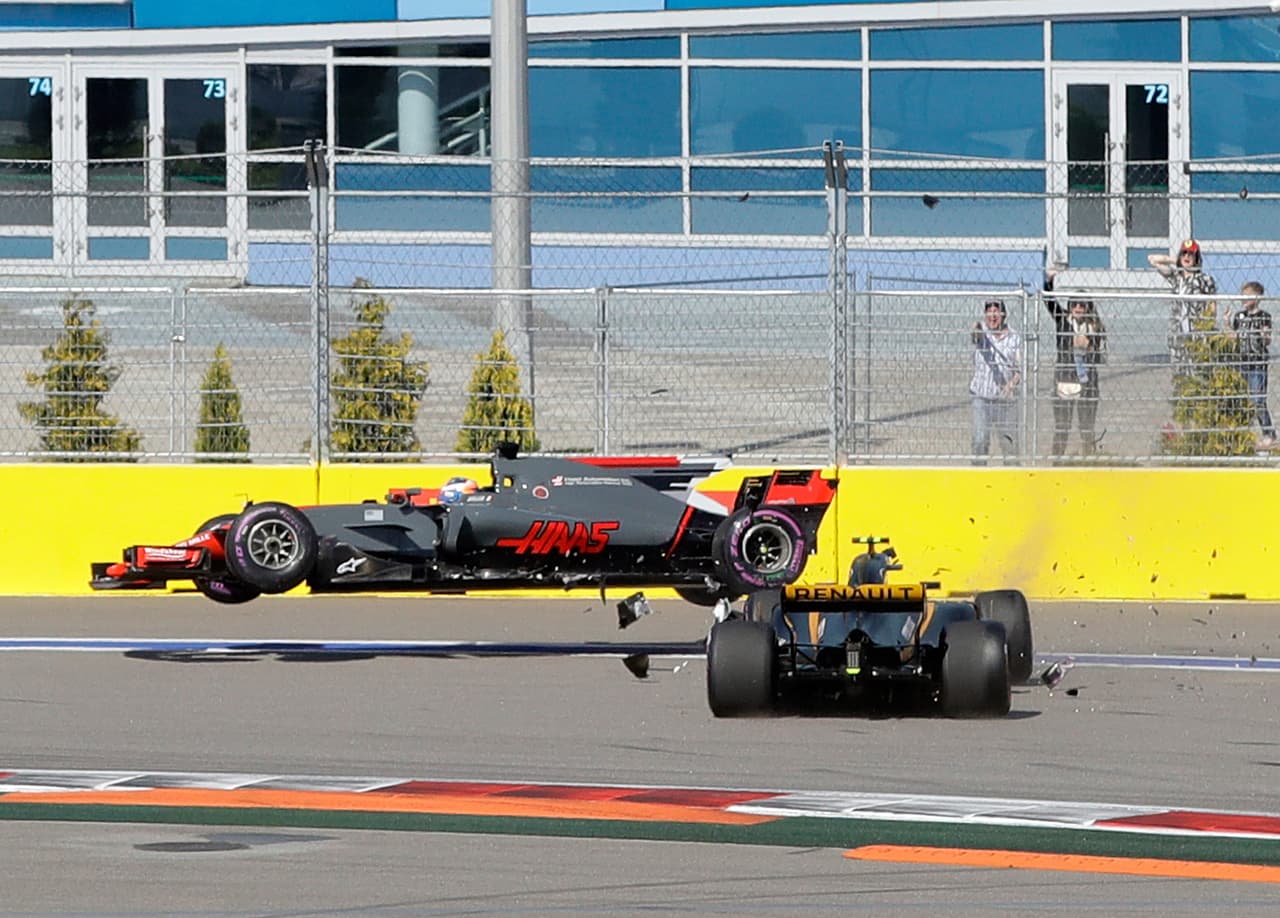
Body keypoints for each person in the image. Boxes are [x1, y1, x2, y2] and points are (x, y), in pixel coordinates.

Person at [1045, 271, 1107, 458]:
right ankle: (1057, 461)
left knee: (1087, 426)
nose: (1078, 308)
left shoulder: (1095, 328)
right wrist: (1048, 281)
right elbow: (1049, 302)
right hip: (1065, 378)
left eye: (1082, 304)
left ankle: (1089, 460)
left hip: (1088, 383)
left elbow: (1099, 356)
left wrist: (1089, 346)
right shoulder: (1063, 321)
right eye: (1074, 304)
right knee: (1062, 426)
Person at [1148, 238, 1217, 371]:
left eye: (1191, 254)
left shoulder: (1205, 279)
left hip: (1198, 331)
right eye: (1184, 253)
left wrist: (1208, 326)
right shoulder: (1176, 277)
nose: (1187, 256)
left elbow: (1212, 305)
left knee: (1199, 369)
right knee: (1180, 371)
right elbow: (1152, 259)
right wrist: (1177, 261)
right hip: (1178, 332)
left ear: (1196, 258)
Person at [969, 299, 1022, 465]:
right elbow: (975, 335)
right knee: (980, 439)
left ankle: (1012, 478)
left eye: (996, 311)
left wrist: (1011, 384)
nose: (993, 315)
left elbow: (1020, 370)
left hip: (1005, 401)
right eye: (989, 312)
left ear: (1003, 314)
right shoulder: (983, 334)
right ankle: (978, 477)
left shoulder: (1014, 338)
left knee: (1009, 444)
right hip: (982, 397)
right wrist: (976, 327)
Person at [1224, 281, 1275, 449]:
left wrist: (1265, 335)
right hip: (1242, 362)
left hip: (1257, 363)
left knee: (1258, 400)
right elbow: (1234, 338)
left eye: (1247, 296)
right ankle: (1242, 434)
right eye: (1242, 296)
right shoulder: (1239, 316)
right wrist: (1227, 323)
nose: (1243, 299)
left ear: (1257, 297)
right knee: (1240, 399)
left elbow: (1267, 340)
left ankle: (1269, 433)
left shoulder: (1264, 316)